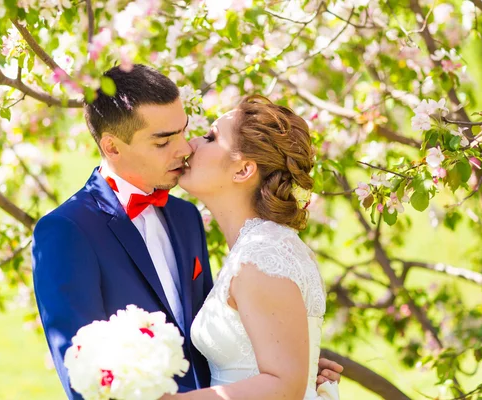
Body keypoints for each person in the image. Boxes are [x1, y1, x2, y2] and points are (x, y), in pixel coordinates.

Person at [31, 65, 342, 399]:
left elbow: (212, 341)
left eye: (184, 131)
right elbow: (84, 376)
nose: (185, 148)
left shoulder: (185, 217)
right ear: (113, 147)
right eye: (164, 140)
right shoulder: (66, 232)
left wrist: (289, 362)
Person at [162, 95, 339, 399]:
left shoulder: (261, 257)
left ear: (243, 170)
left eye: (210, 137)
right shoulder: (259, 248)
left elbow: (284, 386)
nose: (191, 143)